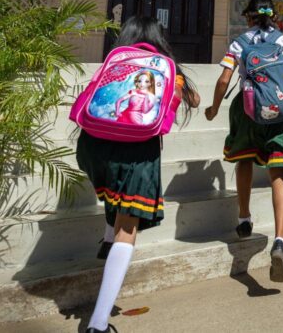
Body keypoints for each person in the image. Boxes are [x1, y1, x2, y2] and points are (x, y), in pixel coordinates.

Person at [76, 17, 200, 333]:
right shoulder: (167, 66)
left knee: (111, 192)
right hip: (137, 149)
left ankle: (106, 238)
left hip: (92, 146)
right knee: (127, 227)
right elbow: (193, 102)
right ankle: (99, 323)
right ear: (160, 39)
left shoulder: (115, 61)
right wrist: (181, 86)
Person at [205, 0, 283, 282]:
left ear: (249, 17)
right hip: (281, 112)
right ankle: (280, 242)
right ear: (274, 17)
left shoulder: (240, 42)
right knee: (279, 173)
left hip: (249, 110)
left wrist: (213, 109)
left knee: (245, 162)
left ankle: (244, 218)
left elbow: (225, 80)